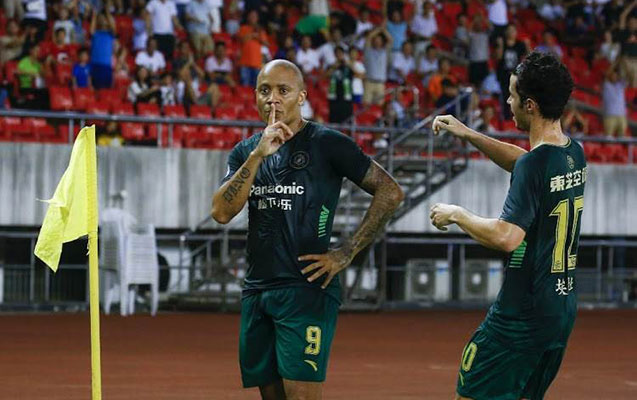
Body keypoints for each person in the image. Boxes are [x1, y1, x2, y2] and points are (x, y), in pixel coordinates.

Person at [211, 59, 404, 400]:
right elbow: (221, 213)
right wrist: (257, 156)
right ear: (254, 96)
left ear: (301, 97)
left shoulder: (327, 143)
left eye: (282, 90)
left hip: (306, 288)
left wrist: (347, 252)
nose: (272, 98)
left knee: (300, 396)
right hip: (258, 289)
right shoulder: (245, 152)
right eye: (264, 90)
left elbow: (390, 191)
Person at [430, 51, 584, 400]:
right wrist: (468, 134)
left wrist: (457, 214)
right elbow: (526, 162)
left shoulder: (535, 165)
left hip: (521, 312)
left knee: (470, 393)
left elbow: (507, 237)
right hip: (559, 308)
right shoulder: (573, 152)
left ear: (530, 105)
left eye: (512, 95)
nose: (507, 102)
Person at [363, 26, 392, 105]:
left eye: (379, 40)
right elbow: (368, 38)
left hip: (380, 83)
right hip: (369, 82)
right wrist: (378, 30)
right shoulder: (368, 51)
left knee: (379, 106)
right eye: (376, 40)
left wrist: (383, 30)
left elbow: (390, 40)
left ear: (382, 42)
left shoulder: (385, 52)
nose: (377, 41)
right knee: (366, 106)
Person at [602, 57, 629, 138]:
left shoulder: (620, 84)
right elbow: (607, 74)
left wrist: (624, 64)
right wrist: (615, 62)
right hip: (610, 114)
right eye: (613, 75)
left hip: (621, 115)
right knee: (608, 137)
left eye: (616, 75)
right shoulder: (607, 85)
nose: (615, 77)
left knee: (622, 137)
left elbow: (627, 76)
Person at [90, 9, 117, 89]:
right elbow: (91, 29)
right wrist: (94, 16)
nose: (102, 20)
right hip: (95, 64)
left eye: (104, 19)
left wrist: (107, 13)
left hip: (106, 65)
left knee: (106, 89)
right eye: (100, 18)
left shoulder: (110, 33)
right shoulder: (95, 33)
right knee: (95, 88)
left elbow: (113, 26)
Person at [326, 46, 354, 123]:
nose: (339, 55)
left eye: (340, 53)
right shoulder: (331, 66)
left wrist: (348, 65)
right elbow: (325, 76)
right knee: (334, 118)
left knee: (347, 119)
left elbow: (358, 74)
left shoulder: (348, 66)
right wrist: (334, 67)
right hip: (334, 96)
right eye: (337, 53)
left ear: (343, 54)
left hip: (346, 96)